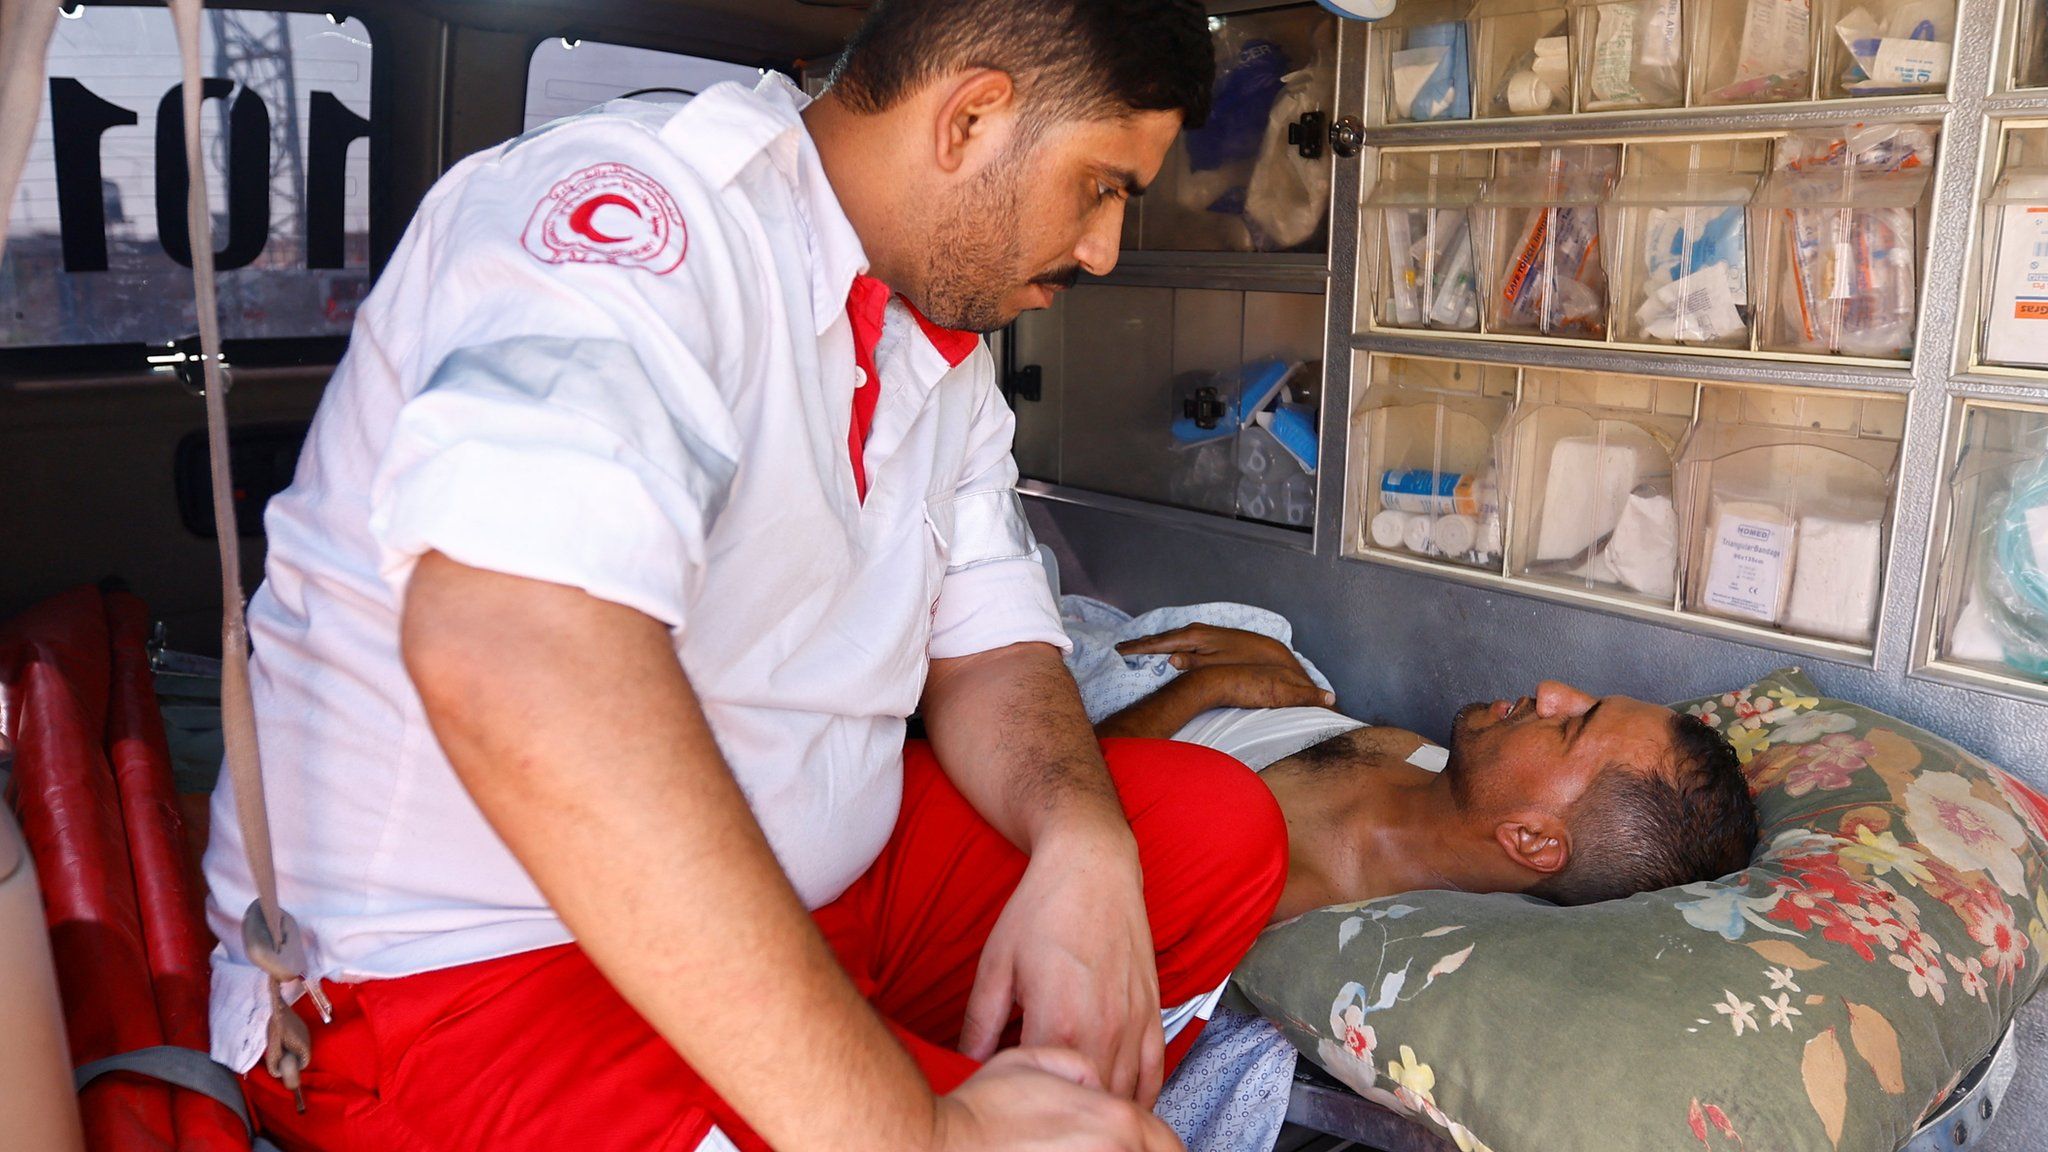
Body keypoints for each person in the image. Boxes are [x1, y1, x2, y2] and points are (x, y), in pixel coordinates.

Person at [202, 4, 1287, 1151]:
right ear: (969, 118)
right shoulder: (643, 219)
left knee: (1204, 836)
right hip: (467, 974)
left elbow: (989, 641)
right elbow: (508, 645)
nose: (1105, 248)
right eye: (1101, 186)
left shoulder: (939, 335)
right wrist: (910, 1129)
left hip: (812, 898)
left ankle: (903, 1080)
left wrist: (1080, 838)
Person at [1092, 623, 1761, 921]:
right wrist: (1284, 681)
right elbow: (1316, 735)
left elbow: (1062, 805)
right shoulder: (1436, 767)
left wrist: (1204, 691)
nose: (1552, 689)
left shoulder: (1286, 881)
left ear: (1531, 840)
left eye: (1570, 725)